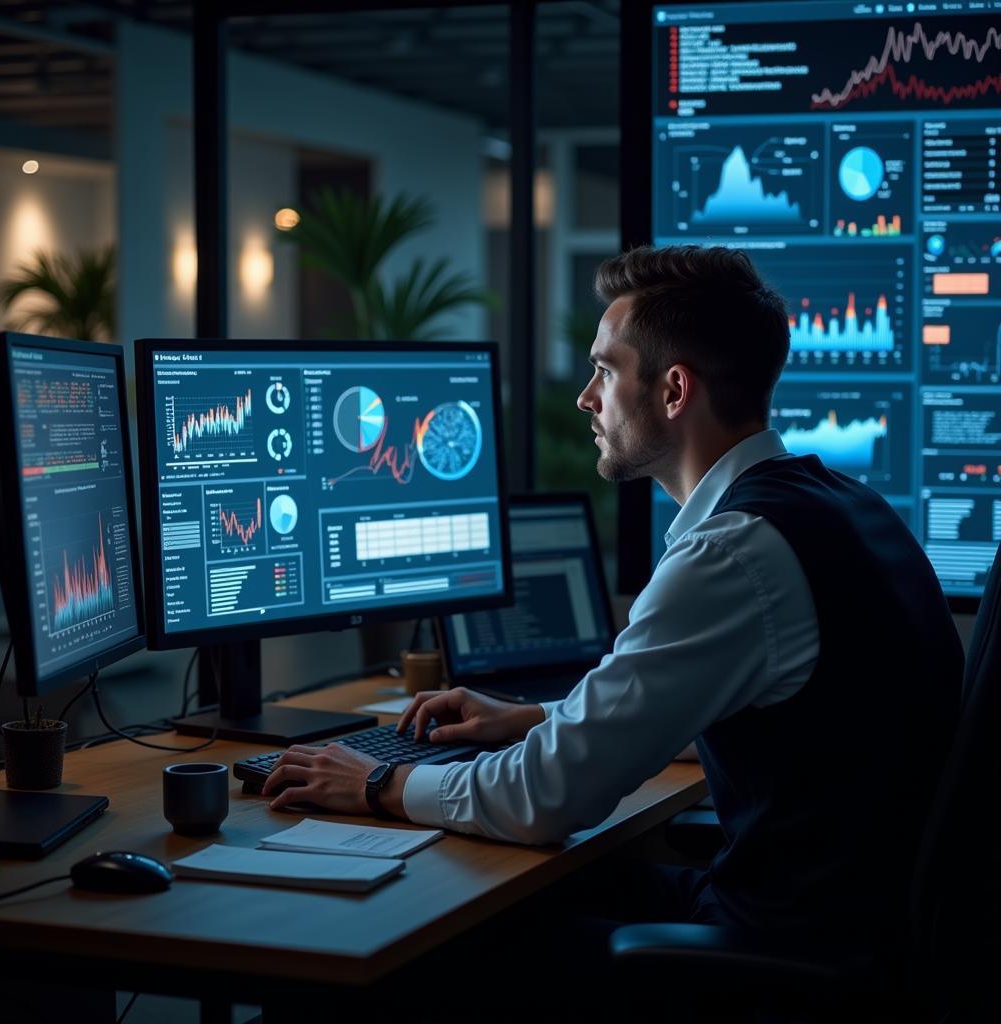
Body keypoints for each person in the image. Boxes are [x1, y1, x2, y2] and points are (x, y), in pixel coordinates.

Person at [263, 245, 962, 943]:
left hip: (786, 951)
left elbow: (541, 800)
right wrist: (535, 717)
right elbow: (715, 711)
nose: (585, 397)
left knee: (432, 939)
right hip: (853, 924)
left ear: (673, 391)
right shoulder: (839, 503)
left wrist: (374, 784)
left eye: (604, 370)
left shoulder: (730, 554)